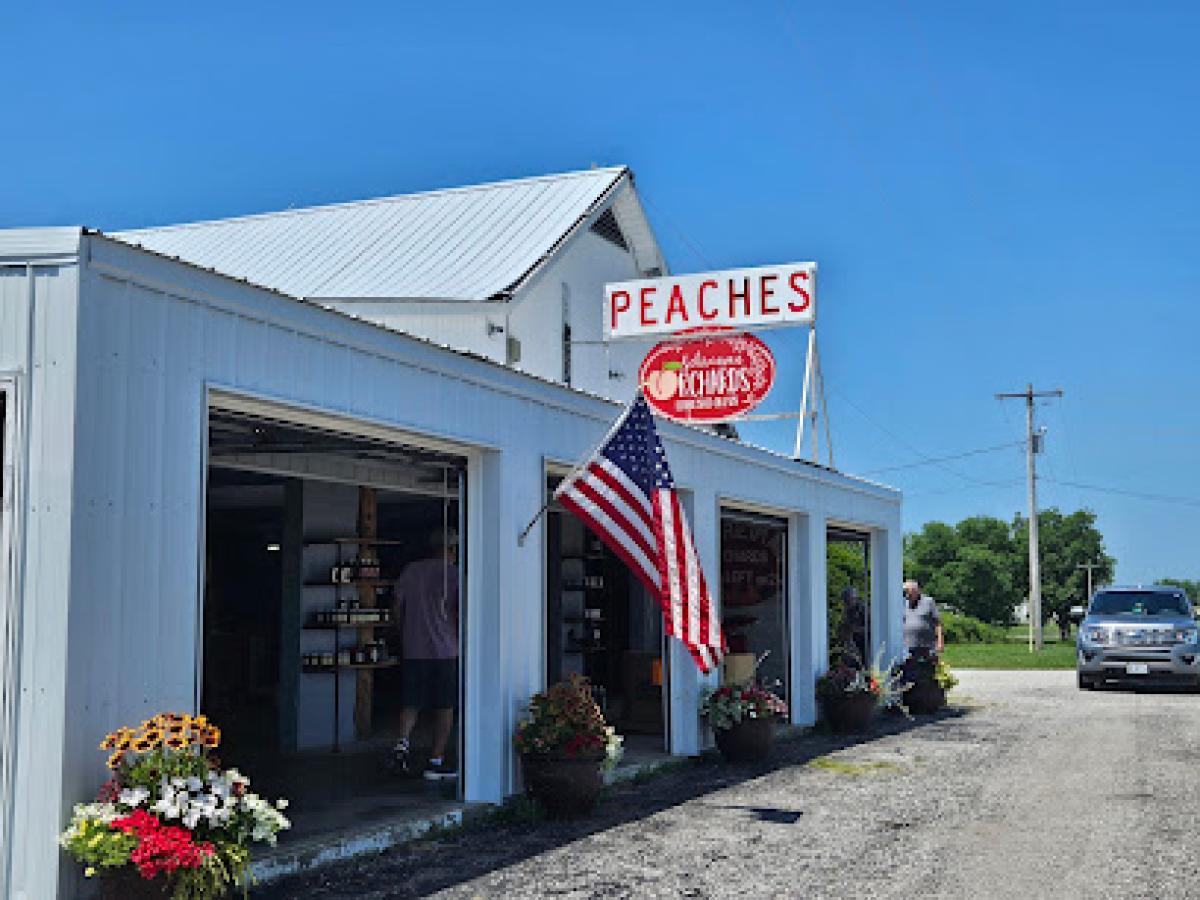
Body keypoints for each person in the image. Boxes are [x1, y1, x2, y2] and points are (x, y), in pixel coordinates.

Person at [391, 527, 459, 780]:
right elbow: (460, 611)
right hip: (446, 650)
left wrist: (404, 632)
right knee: (445, 706)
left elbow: (397, 607)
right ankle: (436, 759)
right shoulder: (453, 575)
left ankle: (401, 745)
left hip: (413, 647)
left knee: (411, 701)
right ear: (452, 549)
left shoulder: (411, 571)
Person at [903, 579, 943, 657]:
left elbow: (938, 623)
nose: (907, 594)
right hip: (908, 647)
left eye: (908, 591)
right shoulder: (903, 603)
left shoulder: (928, 601)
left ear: (916, 590)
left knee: (927, 668)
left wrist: (940, 642)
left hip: (927, 646)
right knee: (910, 668)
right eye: (905, 591)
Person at [836, 586, 867, 667]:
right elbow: (845, 625)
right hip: (852, 642)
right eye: (844, 601)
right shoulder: (848, 610)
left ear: (854, 598)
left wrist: (856, 630)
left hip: (864, 643)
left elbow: (872, 628)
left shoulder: (863, 609)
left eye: (847, 601)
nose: (845, 603)